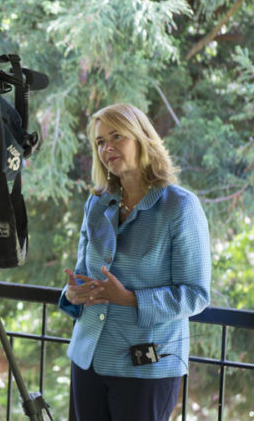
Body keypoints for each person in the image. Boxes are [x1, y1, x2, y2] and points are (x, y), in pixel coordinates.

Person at [58, 103, 211, 421]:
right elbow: (85, 274)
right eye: (100, 141)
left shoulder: (180, 207)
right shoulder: (97, 204)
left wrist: (129, 300)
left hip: (146, 366)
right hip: (88, 358)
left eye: (116, 136)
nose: (106, 147)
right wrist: (73, 294)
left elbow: (196, 294)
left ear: (142, 139)